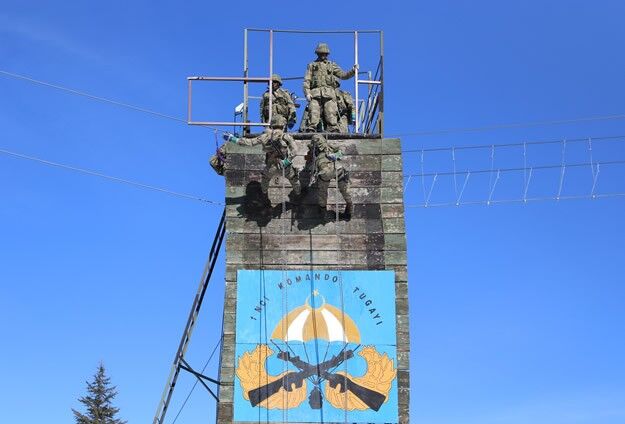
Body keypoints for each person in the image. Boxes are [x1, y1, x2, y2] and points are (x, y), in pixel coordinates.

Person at [224, 128, 301, 205]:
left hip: (271, 166)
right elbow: (295, 150)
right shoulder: (286, 137)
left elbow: (249, 142)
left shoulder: (264, 137)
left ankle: (264, 193)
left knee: (265, 179)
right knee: (293, 178)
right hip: (284, 166)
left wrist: (233, 139)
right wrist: (287, 161)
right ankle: (298, 193)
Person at [303, 43, 357, 132]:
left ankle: (332, 129)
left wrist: (353, 71)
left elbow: (343, 75)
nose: (323, 55)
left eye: (325, 54)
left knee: (331, 113)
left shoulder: (332, 65)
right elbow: (307, 80)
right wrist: (307, 93)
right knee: (313, 112)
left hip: (329, 94)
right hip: (315, 94)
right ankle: (312, 129)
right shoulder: (312, 65)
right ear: (318, 54)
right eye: (321, 53)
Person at [310, 134, 352, 218]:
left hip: (325, 172)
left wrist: (337, 154)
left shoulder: (314, 150)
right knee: (344, 189)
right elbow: (342, 147)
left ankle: (322, 210)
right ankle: (349, 206)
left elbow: (313, 165)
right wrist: (337, 154)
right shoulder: (328, 146)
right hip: (336, 169)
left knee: (322, 191)